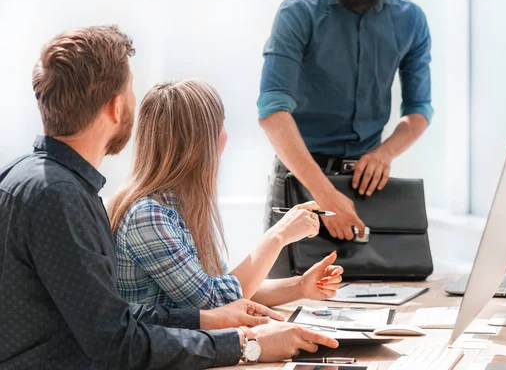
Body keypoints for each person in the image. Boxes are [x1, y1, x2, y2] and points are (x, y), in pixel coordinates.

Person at [0, 25, 338, 369]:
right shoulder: (61, 197)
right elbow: (116, 343)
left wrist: (209, 322)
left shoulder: (29, 181)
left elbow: (115, 318)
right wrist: (244, 344)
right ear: (116, 107)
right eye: (130, 91)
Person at [108, 79, 344, 310]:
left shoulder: (179, 206)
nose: (225, 135)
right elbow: (216, 303)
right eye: (220, 125)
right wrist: (279, 235)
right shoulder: (148, 217)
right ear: (198, 142)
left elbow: (228, 288)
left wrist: (302, 286)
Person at [258, 0, 433, 277]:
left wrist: (385, 153)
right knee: (287, 306)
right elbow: (273, 112)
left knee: (376, 306)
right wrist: (325, 198)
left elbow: (419, 110)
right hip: (300, 184)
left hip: (365, 189)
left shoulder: (411, 19)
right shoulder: (299, 11)